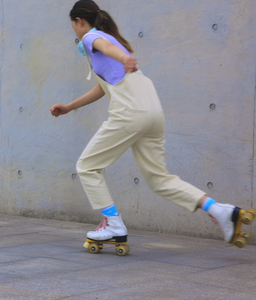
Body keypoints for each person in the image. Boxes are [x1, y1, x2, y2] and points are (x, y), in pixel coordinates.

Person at [50, 0, 250, 246]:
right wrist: (69, 107)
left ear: (79, 21)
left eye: (74, 27)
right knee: (159, 179)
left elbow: (100, 45)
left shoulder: (93, 38)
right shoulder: (114, 41)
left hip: (130, 112)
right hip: (152, 112)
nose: (75, 33)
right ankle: (220, 210)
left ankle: (112, 224)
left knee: (87, 166)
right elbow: (101, 88)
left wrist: (124, 57)